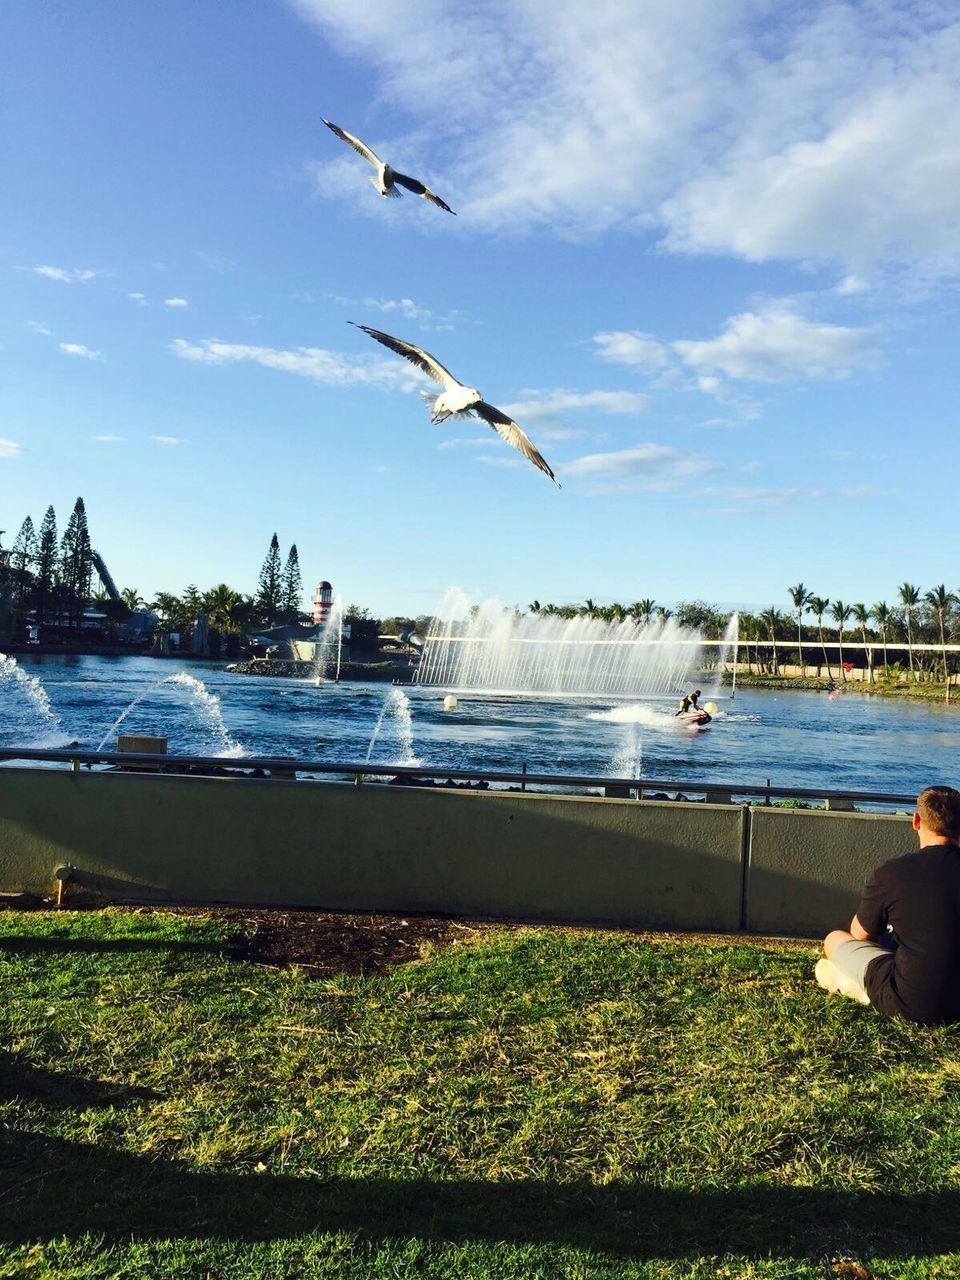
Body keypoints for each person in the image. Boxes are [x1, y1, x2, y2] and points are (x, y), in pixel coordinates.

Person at [815, 785, 960, 1024]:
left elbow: (859, 934)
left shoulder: (893, 872)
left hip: (912, 1004)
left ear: (916, 821)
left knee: (834, 939)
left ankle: (854, 985)